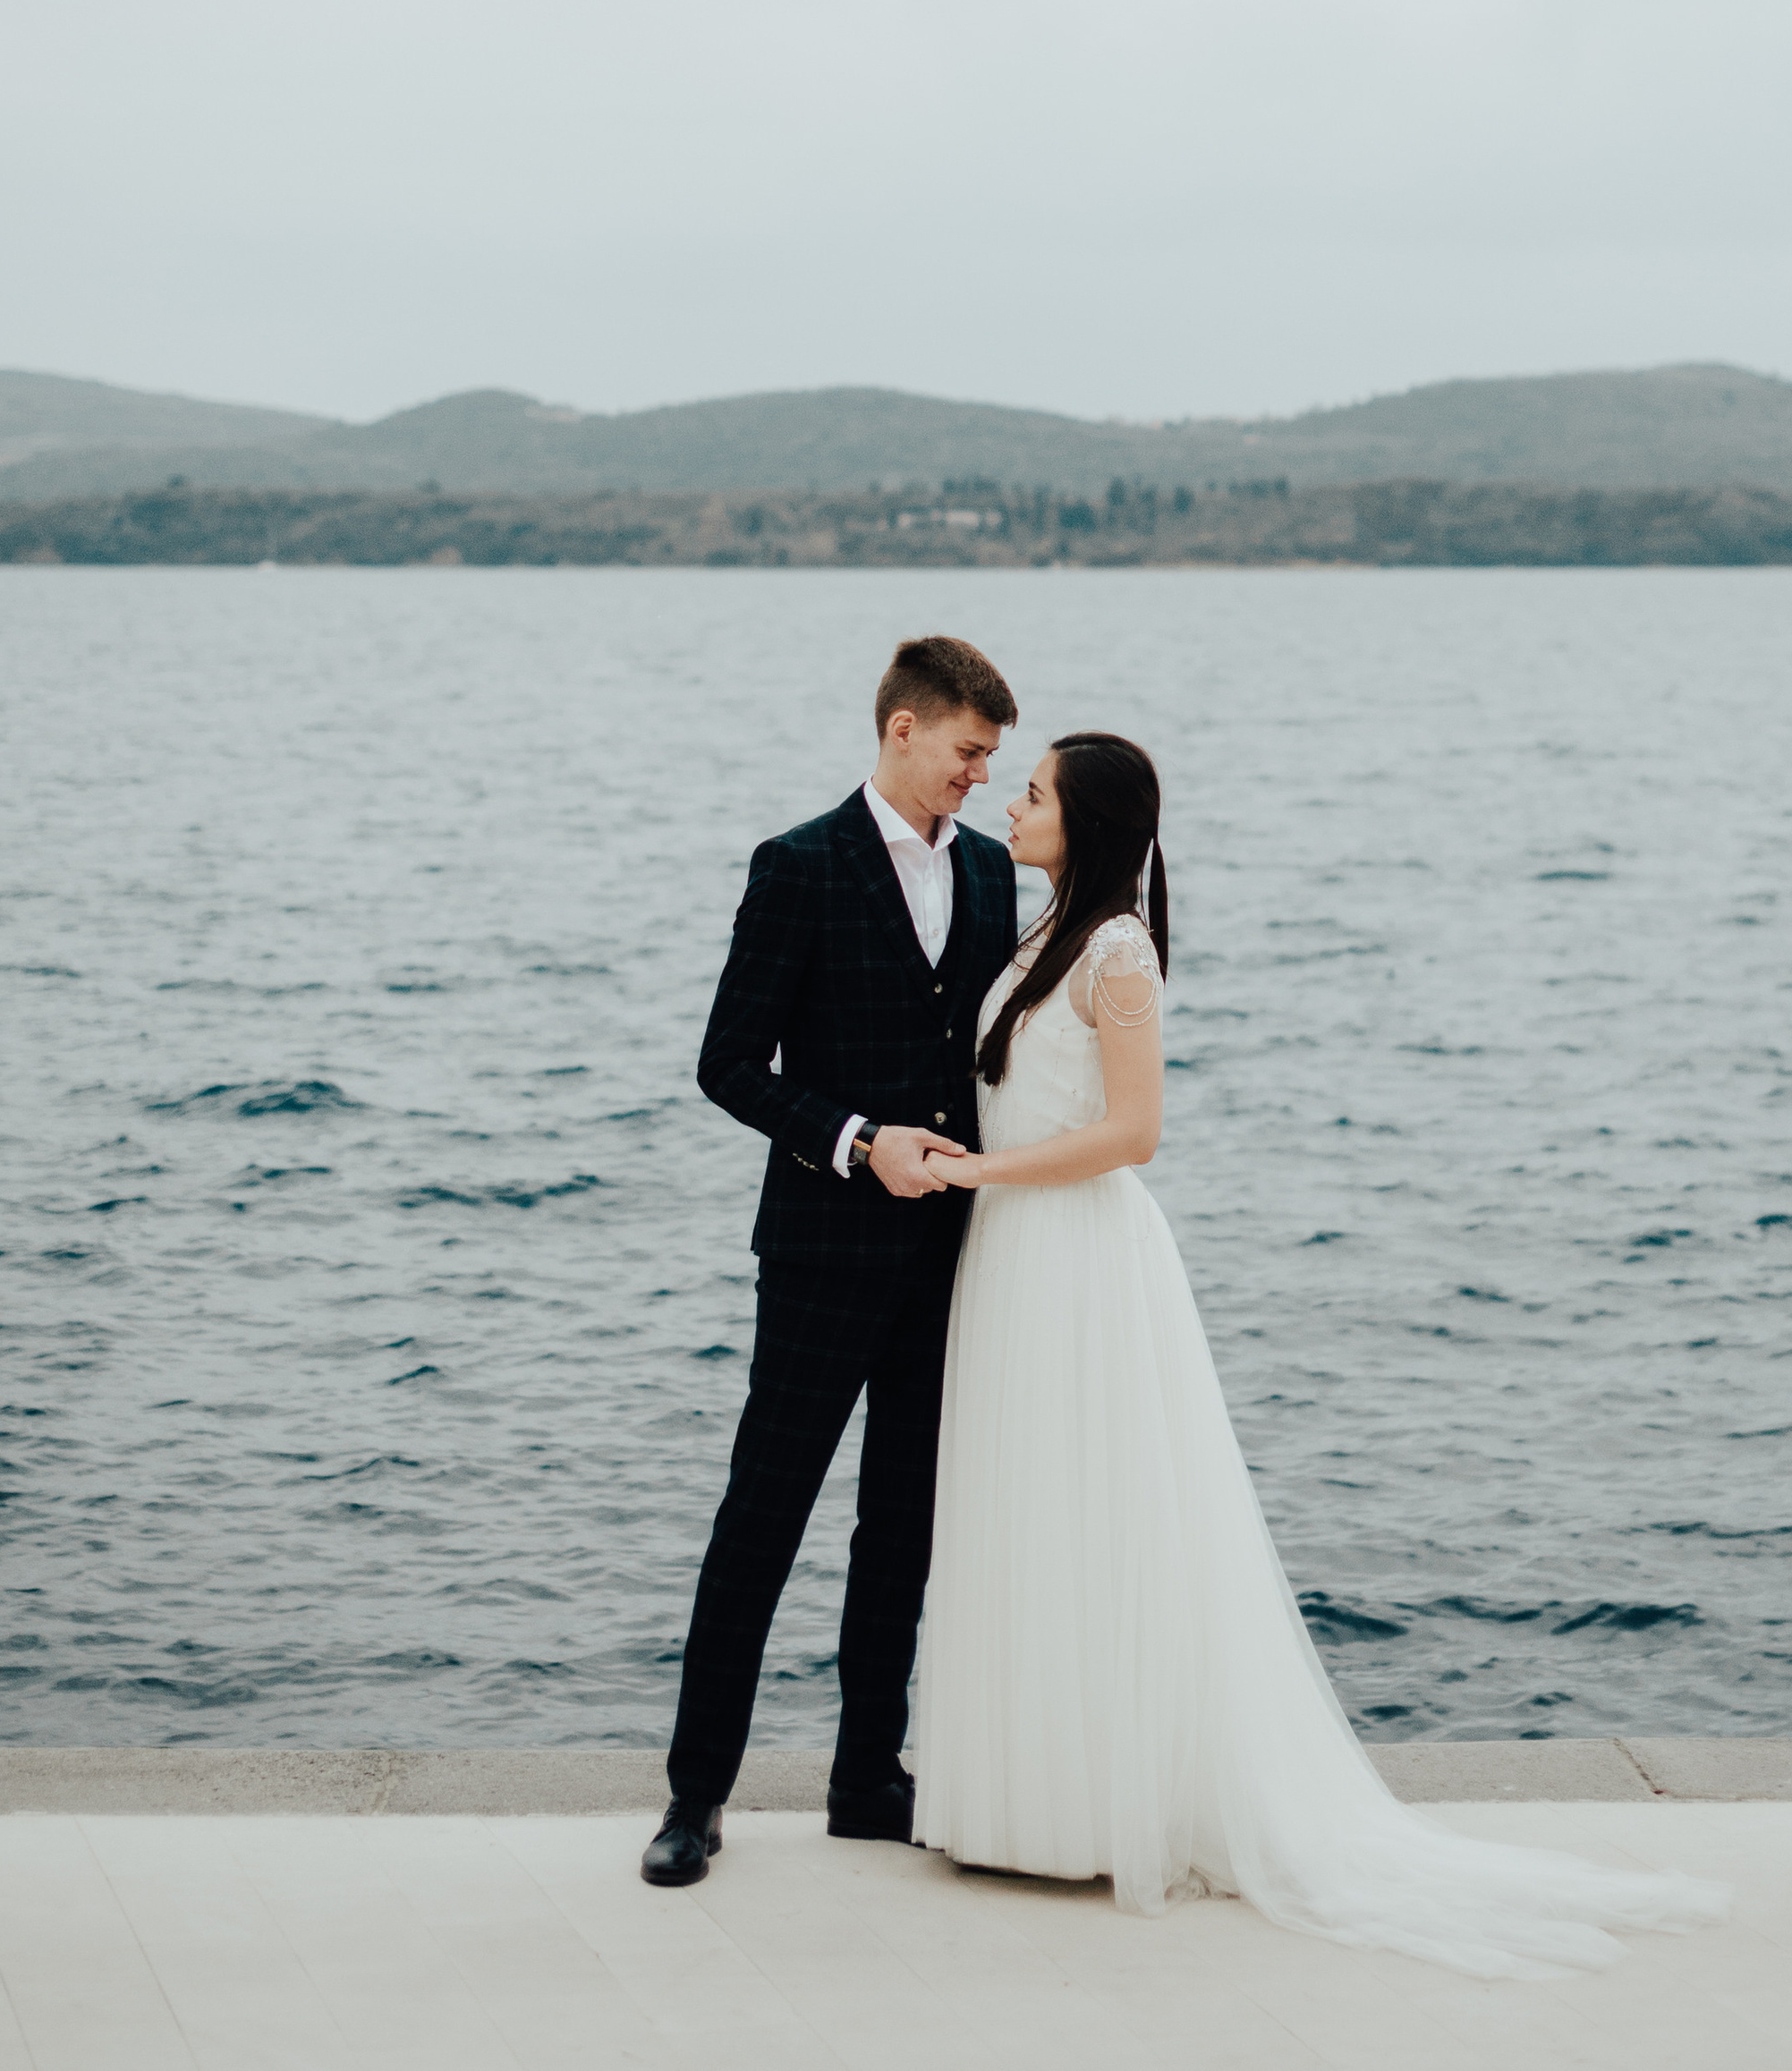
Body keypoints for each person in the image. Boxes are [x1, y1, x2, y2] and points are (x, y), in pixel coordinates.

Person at [913, 731, 1728, 1979]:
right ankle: (1027, 1795)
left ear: (1087, 821)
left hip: (1078, 1254)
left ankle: (1106, 1807)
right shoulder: (1038, 936)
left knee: (1102, 1514)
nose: (1012, 804)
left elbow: (1135, 1133)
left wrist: (986, 1169)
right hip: (1013, 1255)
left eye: (1033, 793)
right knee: (1028, 1511)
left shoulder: (1117, 952)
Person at [641, 632, 1020, 1887]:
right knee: (763, 1519)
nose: (979, 776)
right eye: (969, 752)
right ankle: (696, 1800)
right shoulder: (797, 865)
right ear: (904, 729)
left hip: (945, 1255)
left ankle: (868, 1779)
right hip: (817, 1253)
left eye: (993, 760)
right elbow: (729, 1064)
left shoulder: (988, 876)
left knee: (898, 1527)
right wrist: (859, 1144)